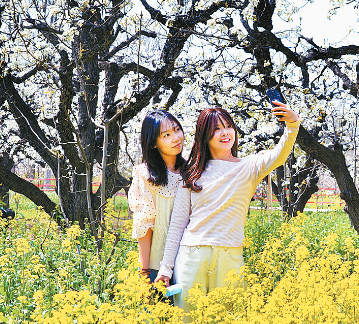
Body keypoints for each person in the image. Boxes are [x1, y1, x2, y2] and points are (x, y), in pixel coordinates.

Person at [156, 101, 300, 310]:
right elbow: (177, 225)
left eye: (228, 126)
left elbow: (281, 153)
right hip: (191, 256)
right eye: (216, 129)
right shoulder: (191, 173)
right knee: (186, 322)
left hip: (230, 255)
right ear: (205, 135)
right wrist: (165, 269)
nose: (225, 133)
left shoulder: (250, 166)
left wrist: (292, 124)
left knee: (229, 322)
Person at [128, 110, 186, 285]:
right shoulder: (145, 176)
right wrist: (144, 272)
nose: (176, 138)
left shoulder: (192, 172)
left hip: (189, 261)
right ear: (153, 143)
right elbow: (144, 226)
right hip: (158, 267)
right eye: (166, 135)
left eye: (177, 130)